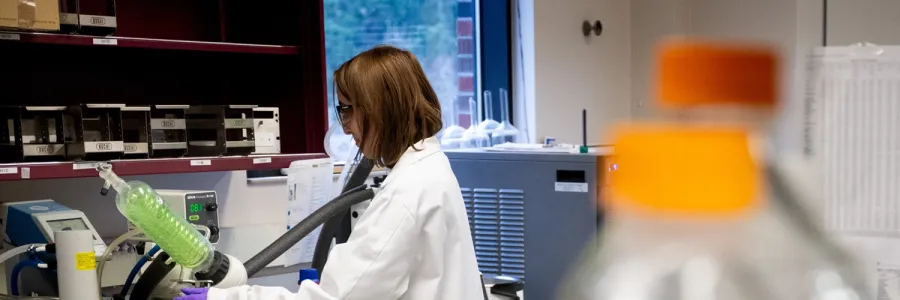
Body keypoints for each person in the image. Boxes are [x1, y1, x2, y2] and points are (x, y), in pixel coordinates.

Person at [176, 45, 485, 300]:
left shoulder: (407, 193)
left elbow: (337, 298)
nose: (345, 124)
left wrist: (223, 298)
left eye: (348, 108)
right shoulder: (431, 168)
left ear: (381, 108)